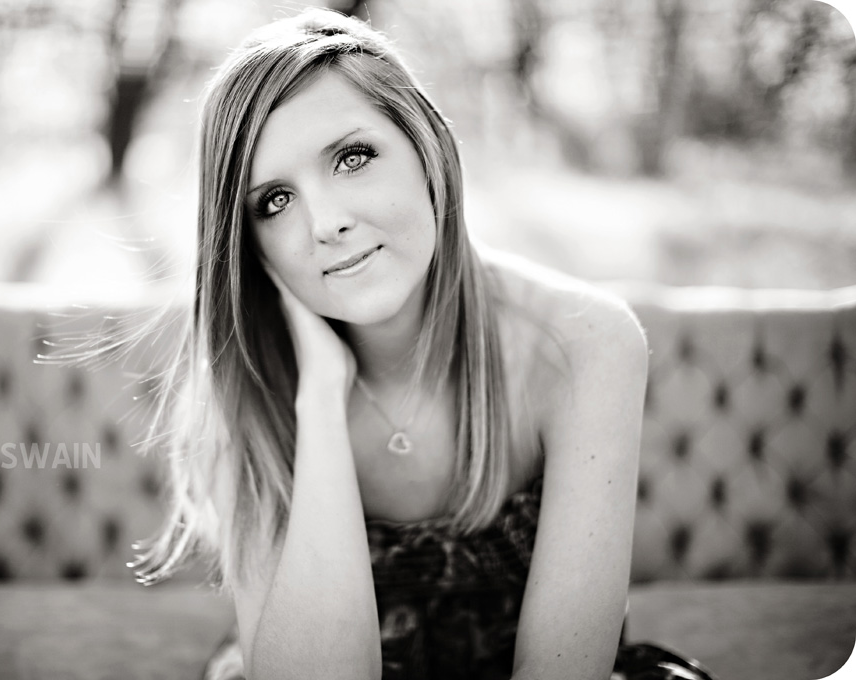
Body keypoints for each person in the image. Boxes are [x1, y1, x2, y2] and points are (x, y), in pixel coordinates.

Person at [127, 8, 718, 680]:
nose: (325, 223)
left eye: (352, 158)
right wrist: (319, 397)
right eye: (275, 201)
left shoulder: (583, 344)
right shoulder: (247, 391)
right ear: (249, 245)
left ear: (428, 148)